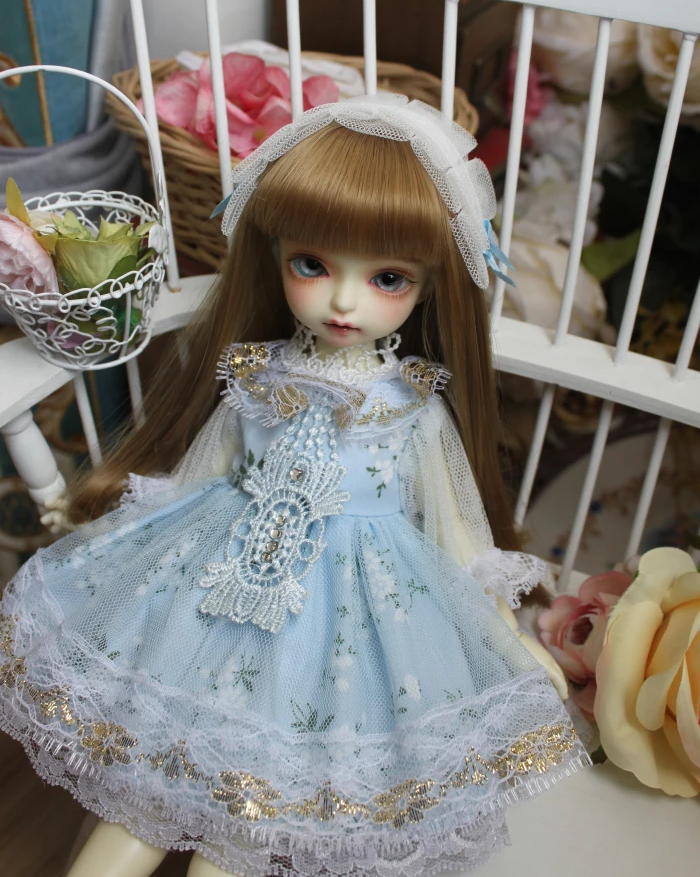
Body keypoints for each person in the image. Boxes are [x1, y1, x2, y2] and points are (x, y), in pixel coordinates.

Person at [0, 95, 584, 877]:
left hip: (348, 630)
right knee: (137, 812)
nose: (343, 301)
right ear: (275, 255)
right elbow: (199, 478)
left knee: (245, 829)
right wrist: (123, 538)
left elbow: (460, 542)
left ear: (429, 286)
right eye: (312, 264)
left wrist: (509, 638)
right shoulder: (256, 377)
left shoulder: (412, 407)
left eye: (386, 278)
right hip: (213, 590)